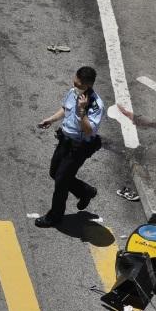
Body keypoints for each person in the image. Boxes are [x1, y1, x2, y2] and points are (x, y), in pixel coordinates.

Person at [35, 66, 104, 228]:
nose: (75, 86)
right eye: (74, 82)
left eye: (78, 84)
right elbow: (65, 109)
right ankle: (85, 191)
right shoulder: (74, 92)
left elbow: (89, 130)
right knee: (54, 172)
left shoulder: (96, 105)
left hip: (78, 147)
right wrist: (51, 119)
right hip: (64, 140)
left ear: (88, 85)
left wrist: (81, 112)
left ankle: (55, 216)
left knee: (61, 182)